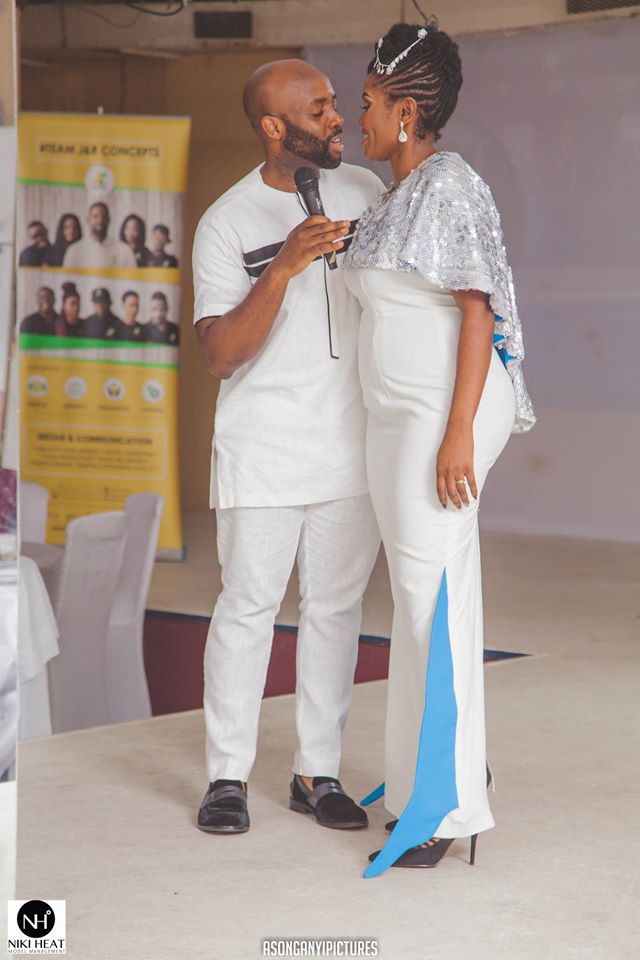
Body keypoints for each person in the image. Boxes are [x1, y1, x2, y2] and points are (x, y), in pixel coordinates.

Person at [342, 21, 535, 877]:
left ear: (407, 111)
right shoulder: (397, 195)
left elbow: (476, 309)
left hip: (442, 414)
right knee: (416, 599)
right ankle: (435, 777)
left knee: (434, 595)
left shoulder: (451, 184)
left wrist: (458, 431)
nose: (359, 118)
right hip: (398, 416)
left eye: (368, 102)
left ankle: (448, 807)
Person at [192, 58, 385, 836]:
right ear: (274, 128)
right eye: (318, 109)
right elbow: (219, 354)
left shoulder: (367, 193)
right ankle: (226, 777)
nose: (336, 118)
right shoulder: (227, 221)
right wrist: (284, 264)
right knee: (247, 609)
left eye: (335, 104)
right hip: (262, 450)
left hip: (350, 447)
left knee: (335, 610)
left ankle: (317, 772)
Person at [63, 203, 136, 270]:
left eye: (103, 217)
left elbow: (132, 278)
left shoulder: (124, 250)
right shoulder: (74, 251)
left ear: (109, 220)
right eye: (95, 217)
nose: (100, 221)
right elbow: (67, 278)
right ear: (88, 220)